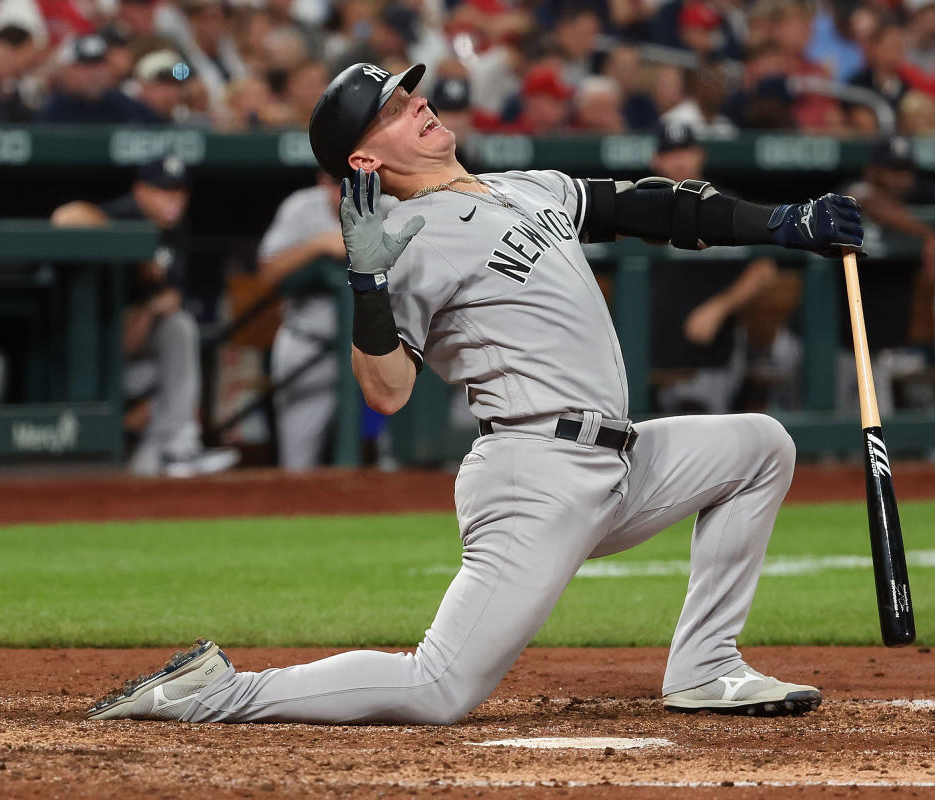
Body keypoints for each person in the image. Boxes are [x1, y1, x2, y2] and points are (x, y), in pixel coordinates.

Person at [86, 61, 863, 725]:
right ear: (363, 161)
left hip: (620, 464)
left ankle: (704, 666)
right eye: (392, 110)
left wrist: (784, 220)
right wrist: (367, 282)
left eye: (410, 95)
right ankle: (216, 693)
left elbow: (651, 206)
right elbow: (386, 393)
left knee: (760, 445)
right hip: (537, 475)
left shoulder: (519, 186)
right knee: (438, 688)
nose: (418, 104)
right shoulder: (410, 237)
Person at [52, 156, 240, 478]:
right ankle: (174, 450)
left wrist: (159, 304)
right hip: (85, 368)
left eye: (180, 192)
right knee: (174, 347)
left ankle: (165, 458)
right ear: (140, 190)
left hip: (136, 367)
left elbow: (165, 302)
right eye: (164, 191)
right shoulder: (128, 214)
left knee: (178, 329)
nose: (174, 200)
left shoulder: (174, 228)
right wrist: (130, 247)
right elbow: (65, 217)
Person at [840, 136, 935, 415]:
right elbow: (868, 202)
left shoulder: (916, 192)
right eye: (892, 171)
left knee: (877, 434)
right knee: (827, 441)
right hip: (829, 345)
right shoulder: (855, 191)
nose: (902, 179)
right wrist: (927, 234)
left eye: (907, 171)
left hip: (876, 348)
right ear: (872, 172)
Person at [649, 122, 782, 415]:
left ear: (700, 155)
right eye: (670, 153)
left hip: (709, 356)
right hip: (648, 354)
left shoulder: (724, 204)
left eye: (686, 151)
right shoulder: (638, 206)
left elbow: (764, 269)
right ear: (655, 160)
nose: (680, 160)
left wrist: (718, 308)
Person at [255, 171, 348, 470]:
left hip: (373, 352)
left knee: (394, 459)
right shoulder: (301, 207)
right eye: (337, 184)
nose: (345, 192)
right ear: (324, 182)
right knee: (298, 464)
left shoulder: (389, 205)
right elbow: (267, 272)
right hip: (309, 345)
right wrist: (318, 244)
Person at [39, 34, 162, 123]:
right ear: (67, 70)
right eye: (86, 65)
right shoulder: (52, 111)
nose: (94, 73)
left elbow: (156, 129)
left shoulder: (122, 106)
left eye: (99, 65)